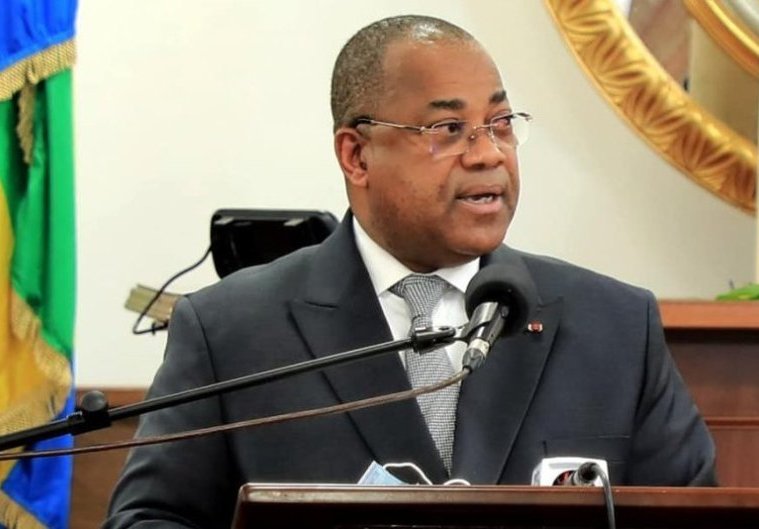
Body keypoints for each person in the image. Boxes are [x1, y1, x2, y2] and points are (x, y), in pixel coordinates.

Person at [103, 14, 716, 529]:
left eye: (501, 124)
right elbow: (151, 519)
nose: (488, 154)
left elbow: (696, 517)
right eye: (449, 129)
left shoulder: (613, 324)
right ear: (356, 155)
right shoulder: (232, 330)